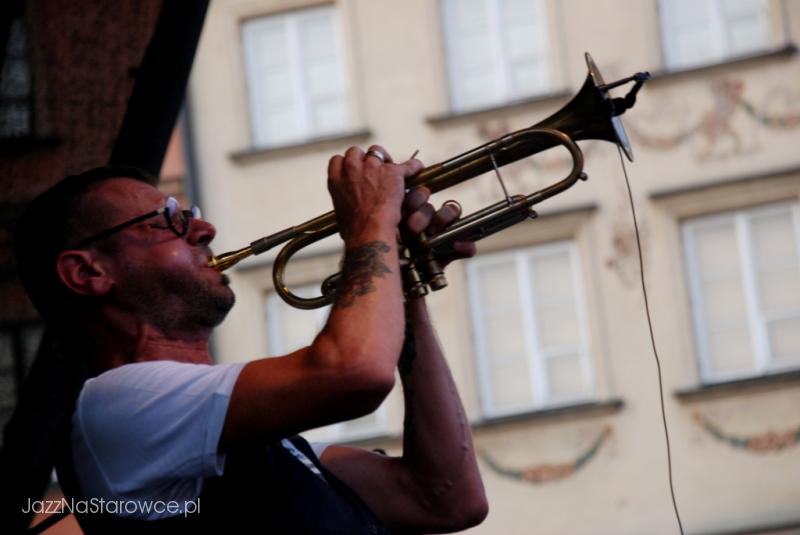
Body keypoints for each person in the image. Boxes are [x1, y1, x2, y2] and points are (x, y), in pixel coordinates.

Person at [12, 144, 488, 533]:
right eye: (168, 219)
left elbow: (445, 499)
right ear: (88, 272)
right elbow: (356, 371)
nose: (205, 229)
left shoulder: (263, 447)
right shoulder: (114, 406)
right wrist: (370, 222)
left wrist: (402, 281)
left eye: (191, 214)